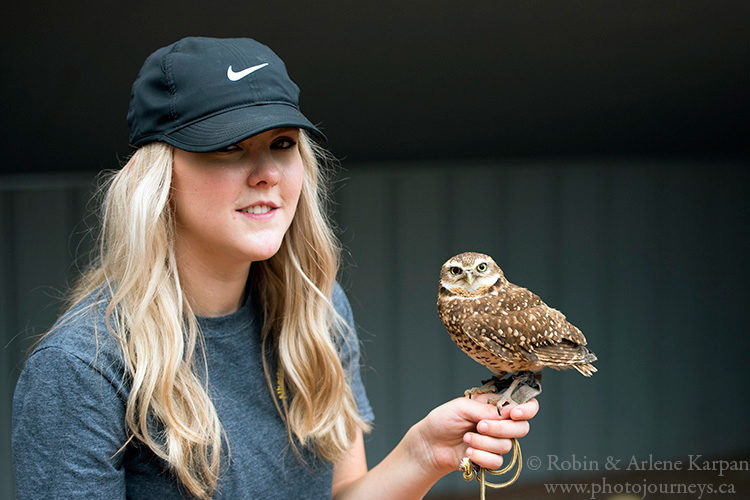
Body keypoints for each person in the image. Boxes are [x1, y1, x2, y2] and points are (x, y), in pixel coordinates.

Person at [12, 37, 538, 499]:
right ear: (157, 176)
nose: (266, 173)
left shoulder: (317, 308)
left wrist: (422, 454)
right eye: (227, 148)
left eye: (281, 144)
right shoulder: (83, 367)